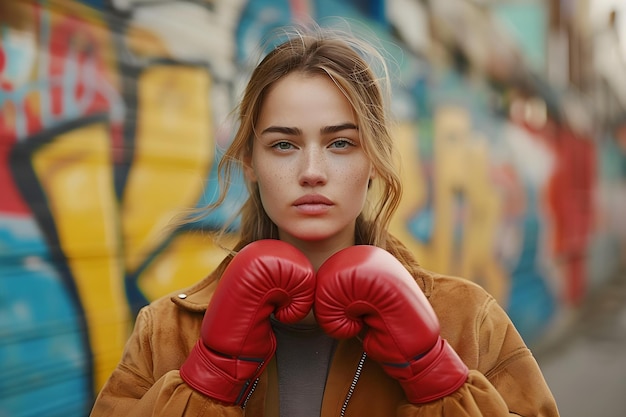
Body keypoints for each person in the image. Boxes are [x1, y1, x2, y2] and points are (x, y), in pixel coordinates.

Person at [89, 22, 560, 417]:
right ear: (250, 163)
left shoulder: (466, 319)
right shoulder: (168, 330)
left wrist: (434, 374)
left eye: (340, 143)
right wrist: (208, 377)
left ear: (373, 160)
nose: (311, 172)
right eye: (283, 145)